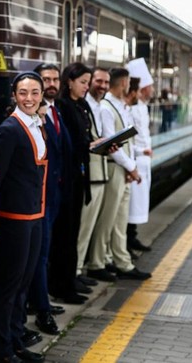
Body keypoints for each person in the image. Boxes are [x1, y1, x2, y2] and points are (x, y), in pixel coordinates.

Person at [0, 72, 47, 363]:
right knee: (8, 285)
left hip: (34, 215)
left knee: (23, 283)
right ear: (14, 94)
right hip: (14, 219)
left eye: (35, 93)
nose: (29, 99)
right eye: (23, 93)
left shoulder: (35, 124)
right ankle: (1, 352)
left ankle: (16, 341)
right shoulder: (10, 128)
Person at [86, 67, 151, 282]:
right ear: (124, 83)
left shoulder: (118, 106)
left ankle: (113, 259)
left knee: (118, 220)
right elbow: (111, 142)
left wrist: (131, 165)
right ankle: (106, 261)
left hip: (122, 168)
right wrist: (131, 167)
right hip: (115, 167)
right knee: (109, 220)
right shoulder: (107, 107)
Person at [24, 63, 69, 337]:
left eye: (55, 79)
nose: (52, 84)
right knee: (38, 256)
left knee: (44, 253)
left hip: (52, 195)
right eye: (46, 79)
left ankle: (42, 301)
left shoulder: (55, 110)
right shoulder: (30, 118)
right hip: (35, 201)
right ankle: (41, 309)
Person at [50, 62, 95, 303]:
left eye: (88, 83)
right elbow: (68, 144)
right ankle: (62, 284)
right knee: (65, 234)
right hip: (67, 180)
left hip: (79, 177)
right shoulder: (63, 107)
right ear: (69, 82)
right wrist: (89, 146)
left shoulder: (80, 106)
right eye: (83, 82)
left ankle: (71, 279)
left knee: (74, 230)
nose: (86, 87)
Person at [75, 67, 110, 286]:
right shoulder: (84, 106)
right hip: (89, 174)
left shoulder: (93, 105)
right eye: (95, 81)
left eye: (104, 82)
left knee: (90, 226)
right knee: (83, 226)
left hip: (100, 170)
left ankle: (81, 268)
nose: (100, 86)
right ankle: (77, 269)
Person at [126, 58, 154, 254]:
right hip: (135, 160)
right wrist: (140, 151)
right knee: (131, 207)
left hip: (144, 160)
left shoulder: (142, 106)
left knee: (138, 204)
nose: (152, 90)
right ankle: (128, 240)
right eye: (150, 86)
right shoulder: (133, 108)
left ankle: (132, 237)